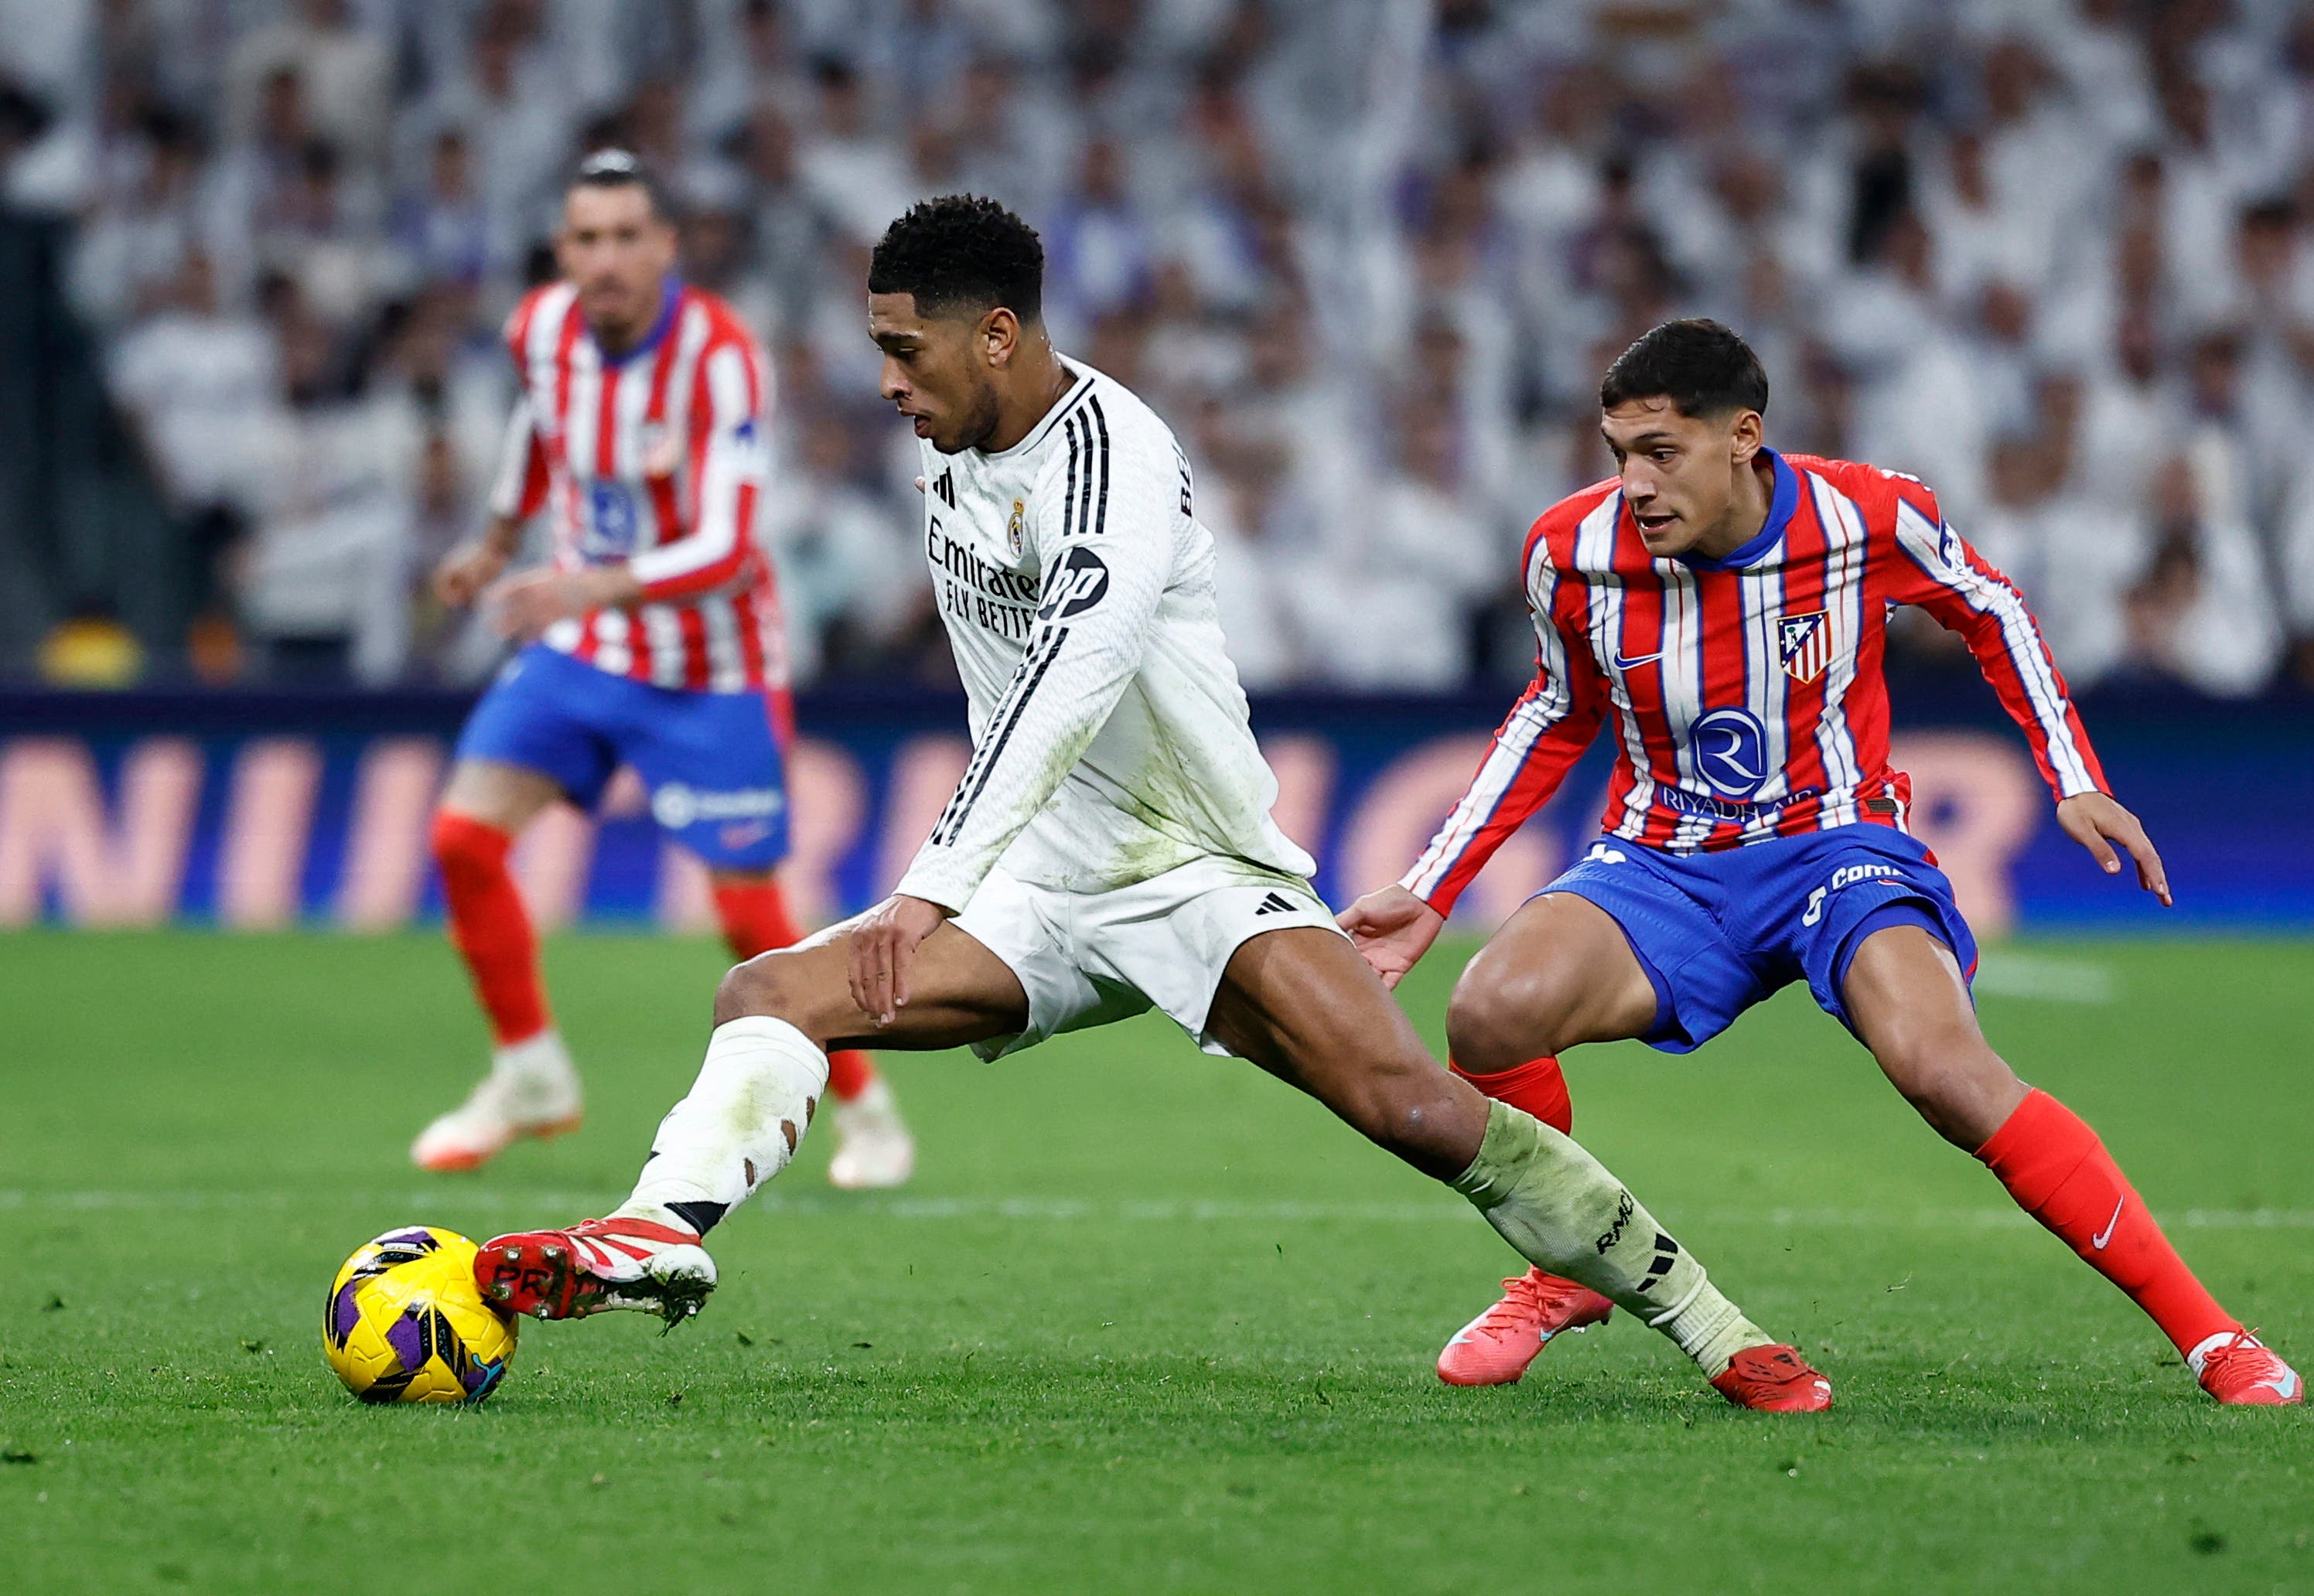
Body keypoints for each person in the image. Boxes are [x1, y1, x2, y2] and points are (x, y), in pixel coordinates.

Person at [472, 196, 1831, 1413]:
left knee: (1411, 1106)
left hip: (1194, 868)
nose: (887, 382)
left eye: (906, 351)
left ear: (996, 335)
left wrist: (928, 879)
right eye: (879, 350)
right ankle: (656, 1231)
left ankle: (1715, 1330)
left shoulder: (1115, 457)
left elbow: (1071, 678)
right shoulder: (951, 446)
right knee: (767, 993)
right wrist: (968, 882)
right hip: (1038, 888)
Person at [1340, 319, 2304, 1406]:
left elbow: (1990, 608)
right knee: (1488, 1011)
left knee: (1944, 1072)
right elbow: (1555, 712)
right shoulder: (1570, 553)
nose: (1634, 484)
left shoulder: (1867, 514)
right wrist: (1428, 890)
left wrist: (2071, 772)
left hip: (1835, 845)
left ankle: (2210, 1334)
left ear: (1743, 436)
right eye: (1618, 453)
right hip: (1664, 861)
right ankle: (1562, 1271)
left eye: (1660, 451)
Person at [418, 150, 911, 1191]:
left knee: (748, 917)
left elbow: (727, 548)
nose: (604, 260)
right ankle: (529, 1071)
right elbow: (539, 425)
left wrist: (583, 585)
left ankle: (866, 1109)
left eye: (625, 238)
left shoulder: (720, 357)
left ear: (664, 249)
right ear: (564, 252)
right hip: (586, 647)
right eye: (585, 240)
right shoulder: (541, 330)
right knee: (463, 838)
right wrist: (500, 537)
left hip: (710, 665)